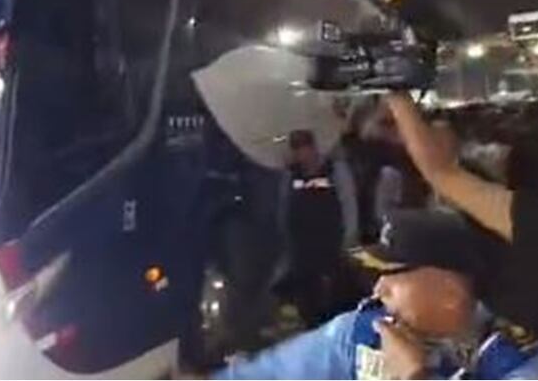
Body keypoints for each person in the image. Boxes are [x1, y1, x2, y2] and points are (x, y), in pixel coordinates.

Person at [214, 209, 538, 379]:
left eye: (394, 277)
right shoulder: (363, 333)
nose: (379, 289)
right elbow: (269, 374)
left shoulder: (519, 356)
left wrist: (414, 375)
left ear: (449, 293)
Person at [385, 92, 538, 335]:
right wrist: (397, 95)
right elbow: (441, 173)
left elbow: (441, 173)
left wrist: (397, 94)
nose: (381, 289)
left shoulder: (510, 301)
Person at [275, 130, 359, 327]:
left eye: (304, 147)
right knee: (305, 287)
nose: (302, 154)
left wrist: (350, 233)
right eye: (297, 149)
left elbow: (348, 201)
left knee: (337, 285)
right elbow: (284, 205)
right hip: (301, 241)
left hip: (330, 237)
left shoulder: (334, 170)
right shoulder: (291, 174)